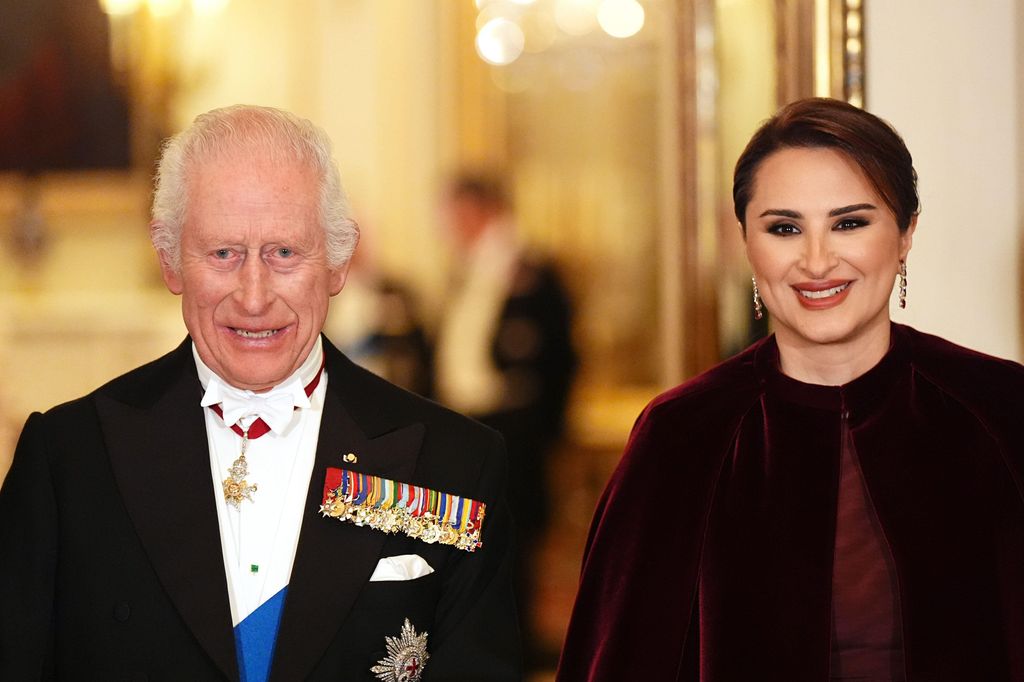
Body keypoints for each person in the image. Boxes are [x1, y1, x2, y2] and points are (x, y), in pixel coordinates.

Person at [0, 105, 520, 681]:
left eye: (284, 254)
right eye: (223, 254)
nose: (253, 297)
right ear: (170, 258)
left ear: (337, 261)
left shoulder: (454, 466)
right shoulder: (67, 460)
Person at [556, 98, 1024, 681]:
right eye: (784, 228)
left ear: (905, 234)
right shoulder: (681, 435)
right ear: (746, 244)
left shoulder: (1002, 410)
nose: (817, 260)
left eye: (849, 222)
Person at [435, 172, 577, 669]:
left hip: (513, 427)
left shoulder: (528, 268)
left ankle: (516, 640)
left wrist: (545, 431)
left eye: (457, 211)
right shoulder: (466, 269)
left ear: (482, 209)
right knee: (467, 537)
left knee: (513, 536)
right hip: (467, 422)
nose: (449, 224)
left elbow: (559, 358)